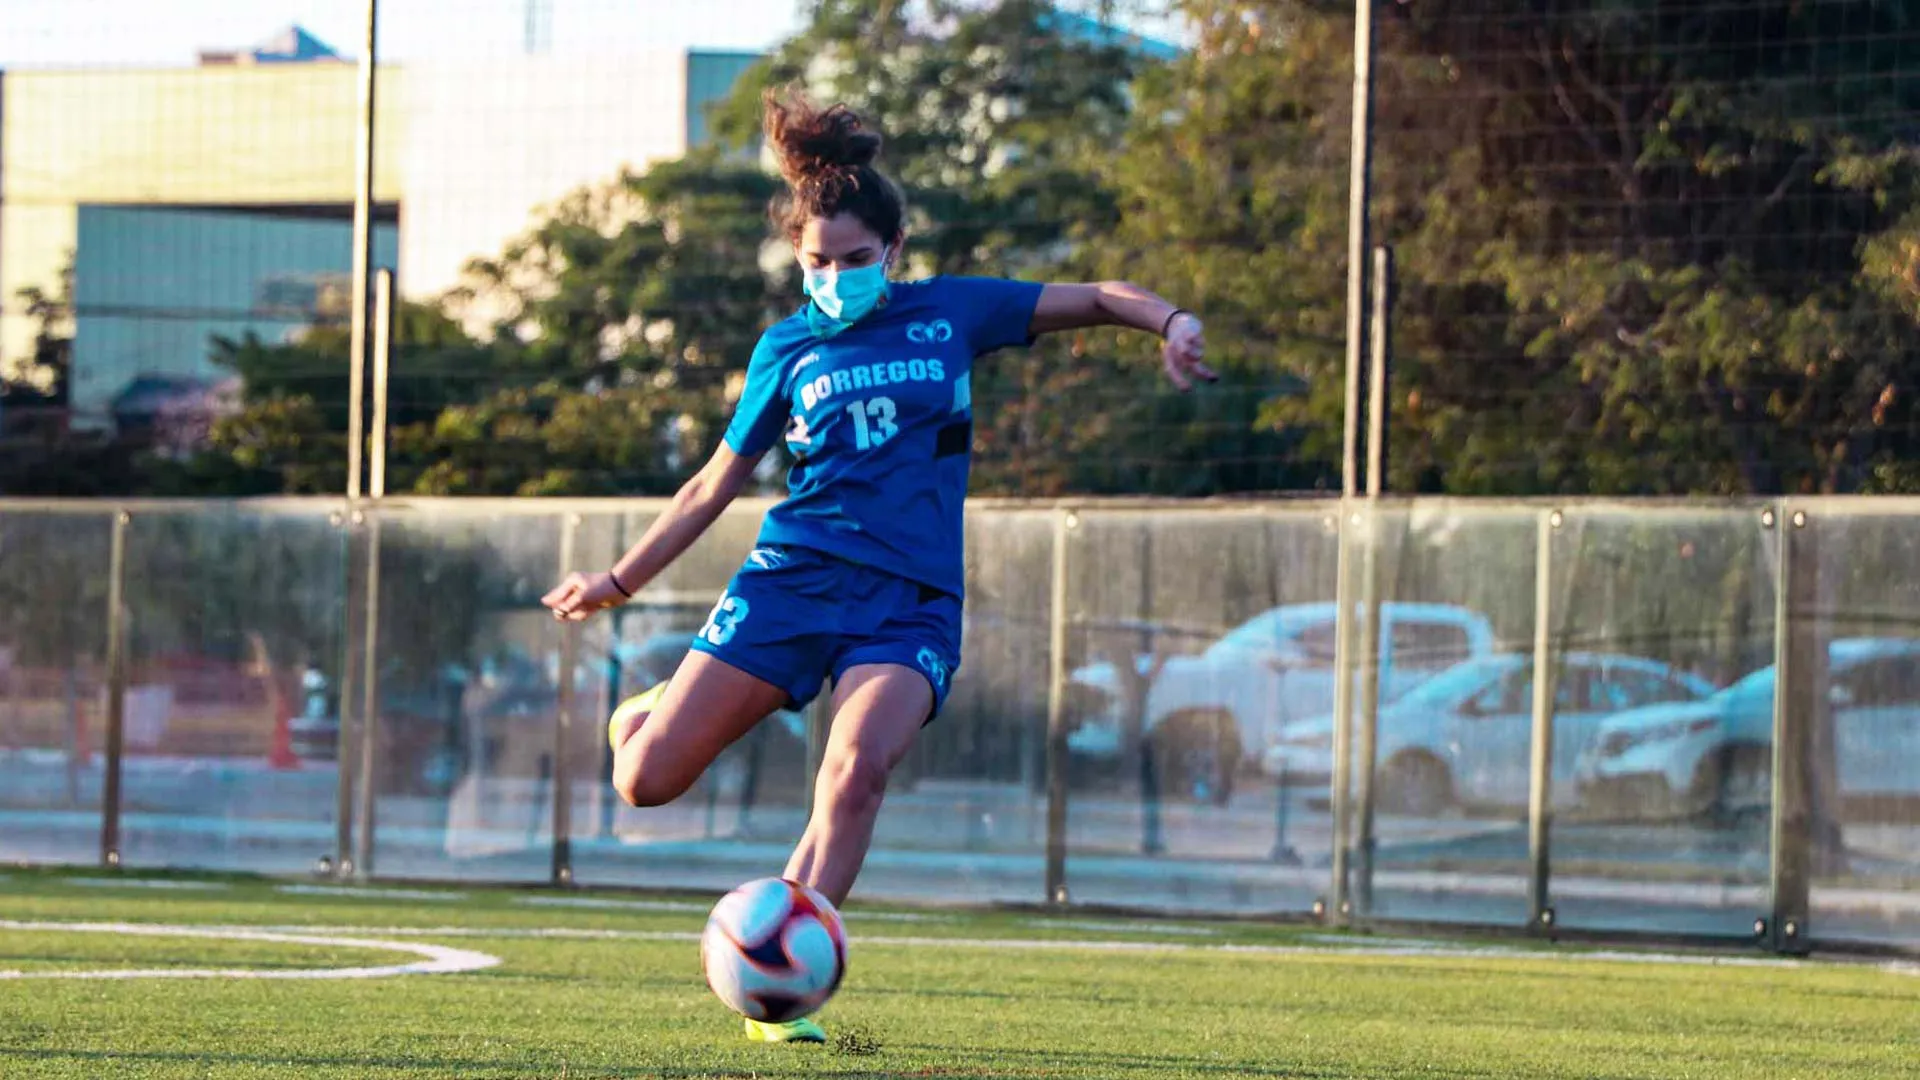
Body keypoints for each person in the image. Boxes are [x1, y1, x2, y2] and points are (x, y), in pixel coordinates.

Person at [541, 89, 1212, 1044]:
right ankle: (643, 714)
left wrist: (1170, 321)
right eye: (817, 263)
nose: (836, 278)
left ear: (893, 252)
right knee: (644, 782)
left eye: (855, 261)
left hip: (908, 605)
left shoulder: (954, 312)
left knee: (855, 771)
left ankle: (782, 989)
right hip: (793, 580)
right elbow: (712, 485)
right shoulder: (786, 348)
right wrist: (616, 581)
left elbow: (1103, 296)